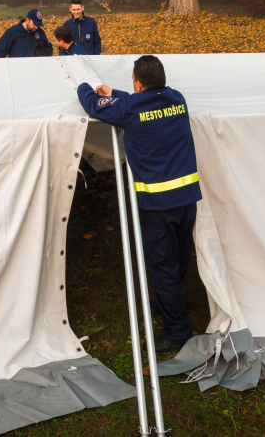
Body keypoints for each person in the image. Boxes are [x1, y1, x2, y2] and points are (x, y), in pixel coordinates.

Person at [76, 55, 201, 352]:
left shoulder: (129, 110)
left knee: (162, 268)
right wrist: (115, 93)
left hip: (157, 204)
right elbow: (139, 103)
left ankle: (178, 330)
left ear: (137, 82)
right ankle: (167, 302)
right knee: (180, 257)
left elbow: (93, 104)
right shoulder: (178, 99)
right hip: (186, 199)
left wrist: (85, 85)